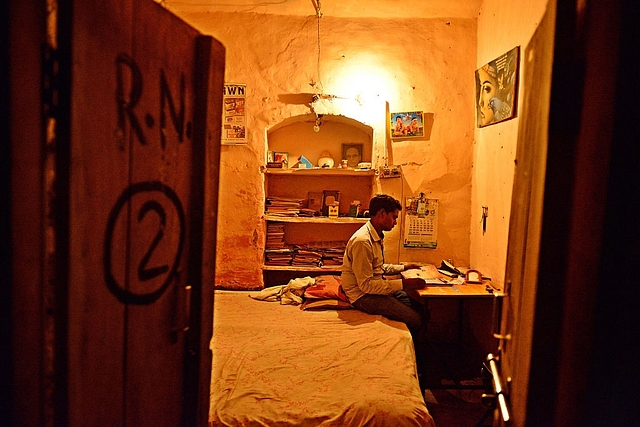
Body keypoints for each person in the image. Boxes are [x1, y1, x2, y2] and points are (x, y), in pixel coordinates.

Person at [341, 194, 427, 340]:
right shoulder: (362, 241)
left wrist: (405, 267)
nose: (394, 223)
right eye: (394, 217)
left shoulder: (376, 235)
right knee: (415, 320)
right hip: (363, 296)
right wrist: (404, 284)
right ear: (382, 213)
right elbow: (366, 286)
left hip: (375, 288)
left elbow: (379, 268)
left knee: (423, 311)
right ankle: (416, 356)